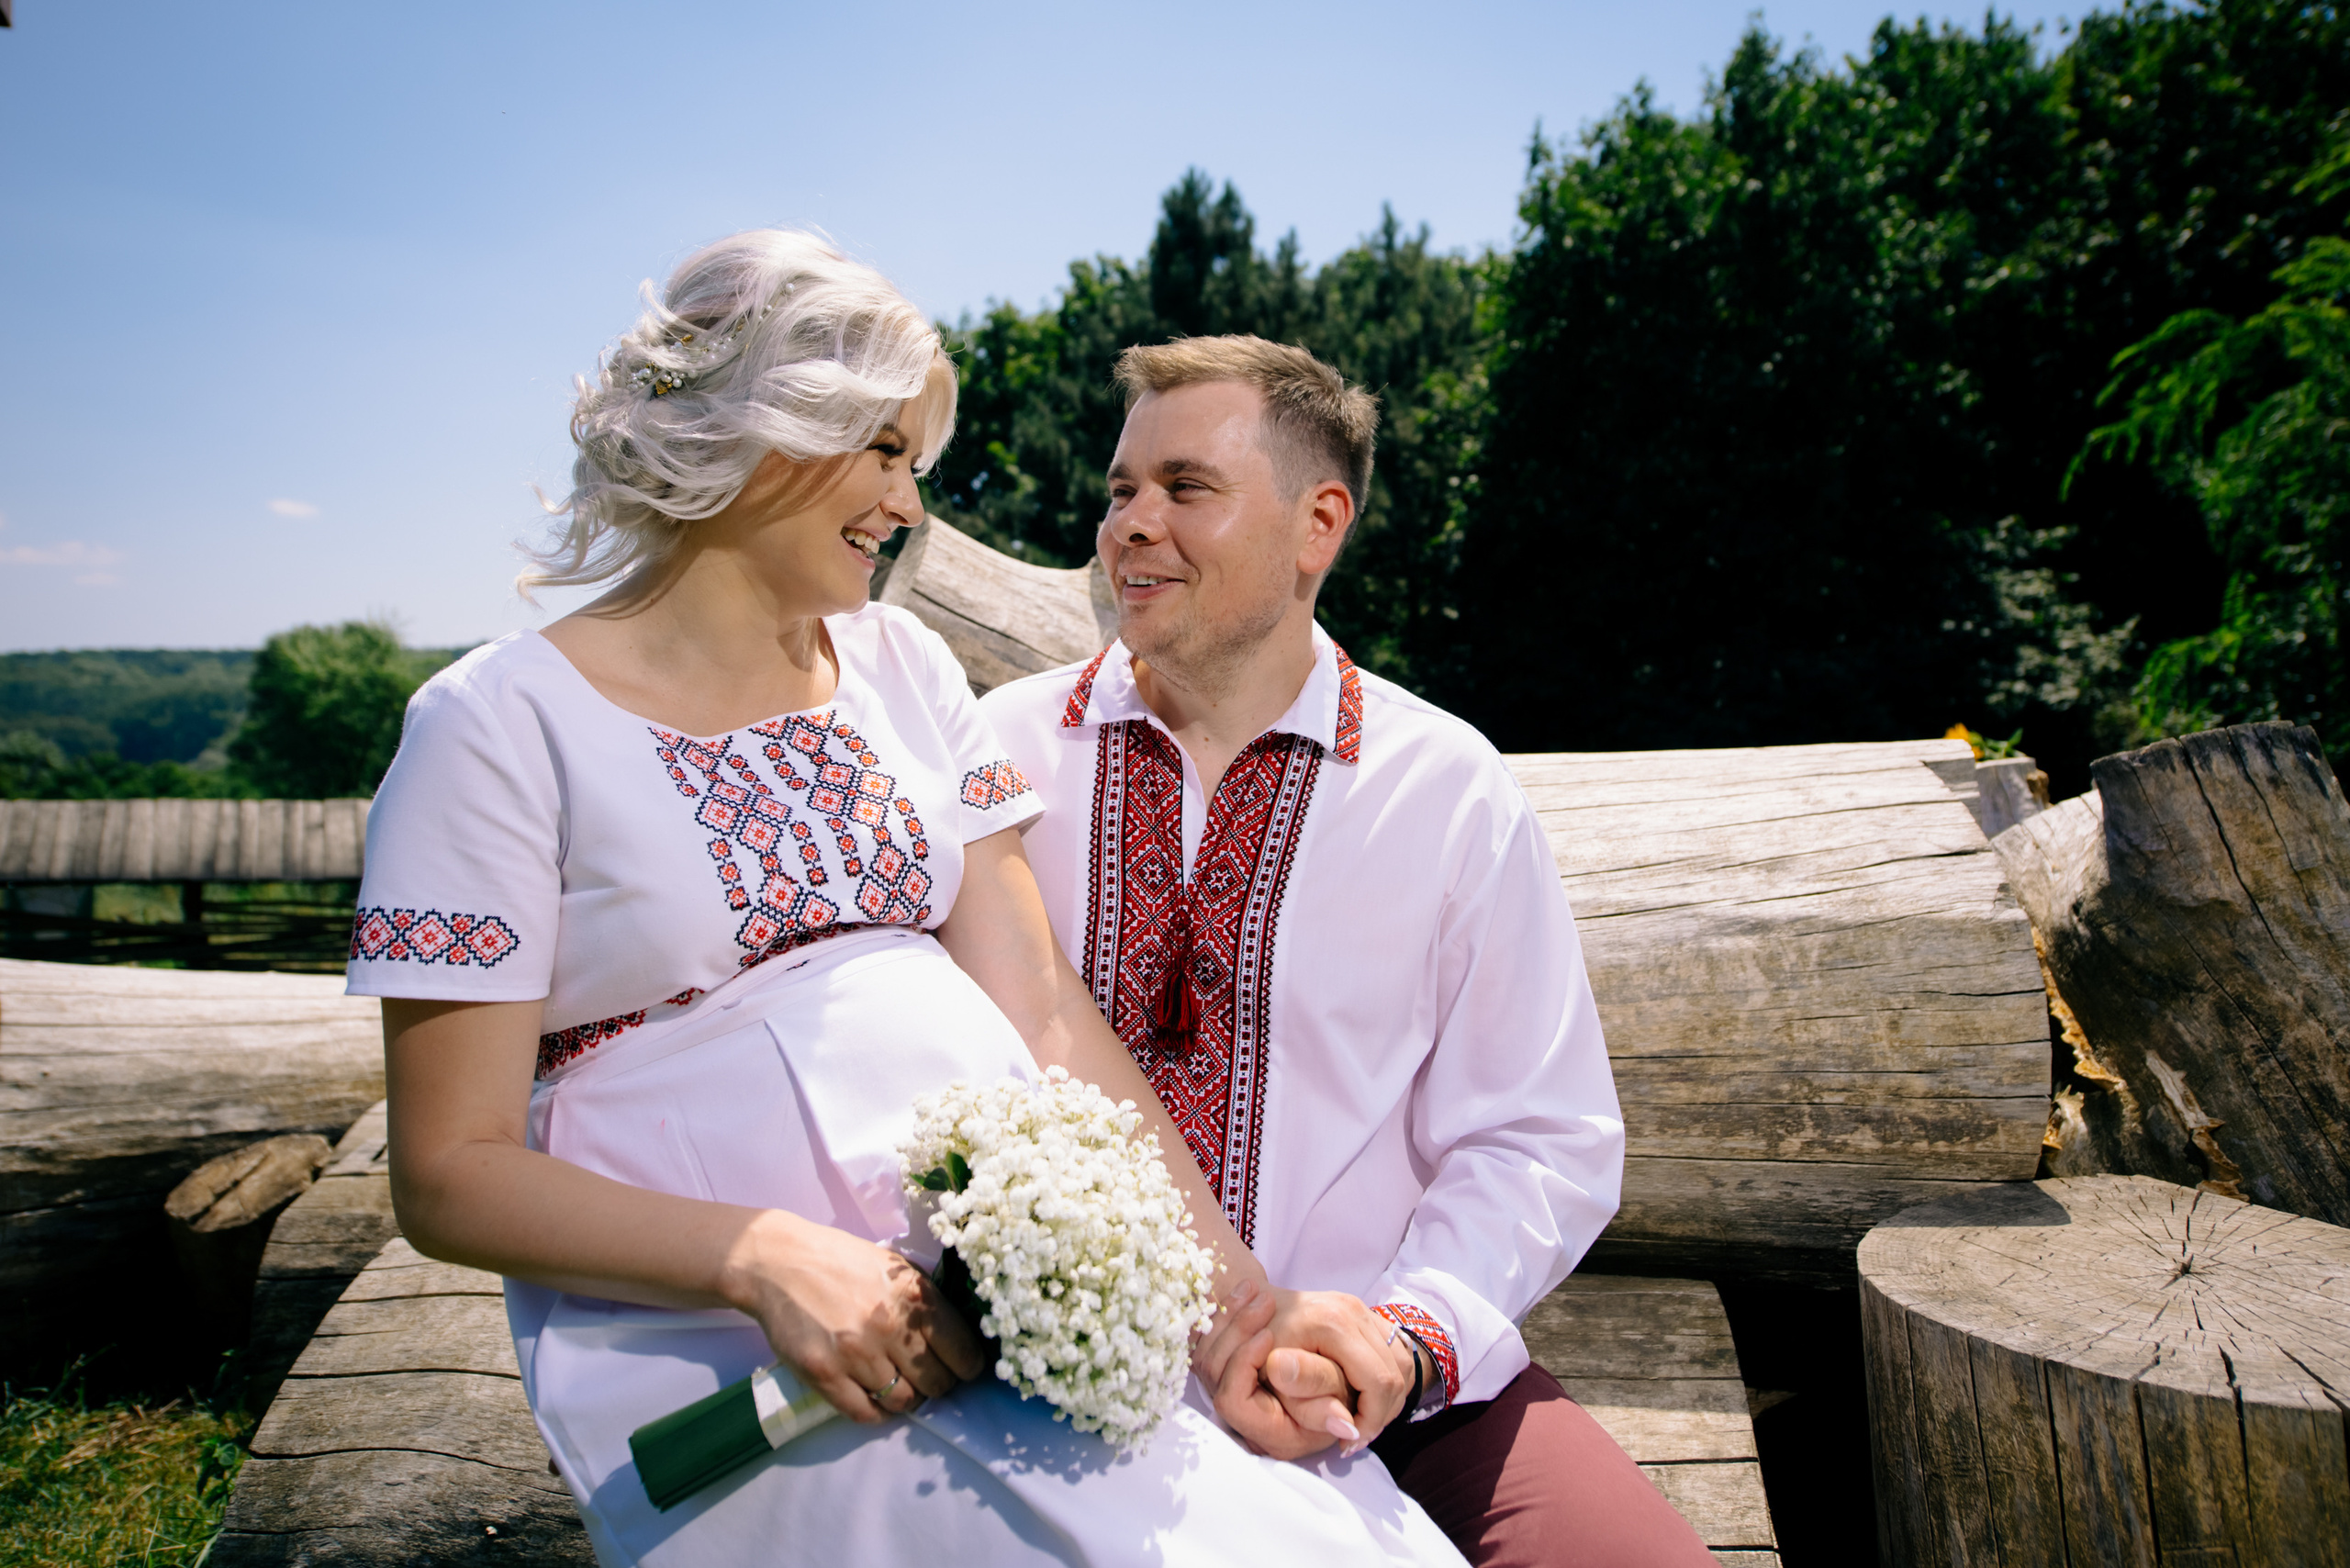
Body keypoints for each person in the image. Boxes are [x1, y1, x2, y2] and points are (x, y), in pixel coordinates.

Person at [348, 232, 1465, 1567]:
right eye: (881, 453)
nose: (907, 505)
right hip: (732, 1352)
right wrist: (765, 1260)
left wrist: (1226, 1312)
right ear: (756, 434)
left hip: (1000, 1307)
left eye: (910, 464)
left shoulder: (904, 668)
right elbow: (449, 1174)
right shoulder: (494, 725)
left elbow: (1043, 1008)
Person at [979, 336, 1719, 1567]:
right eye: (1120, 492)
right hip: (1054, 1380)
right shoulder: (1000, 756)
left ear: (1320, 523)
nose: (1130, 527)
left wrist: (1401, 1335)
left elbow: (1540, 1137)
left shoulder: (1448, 790)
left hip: (1387, 1391)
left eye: (1185, 488)